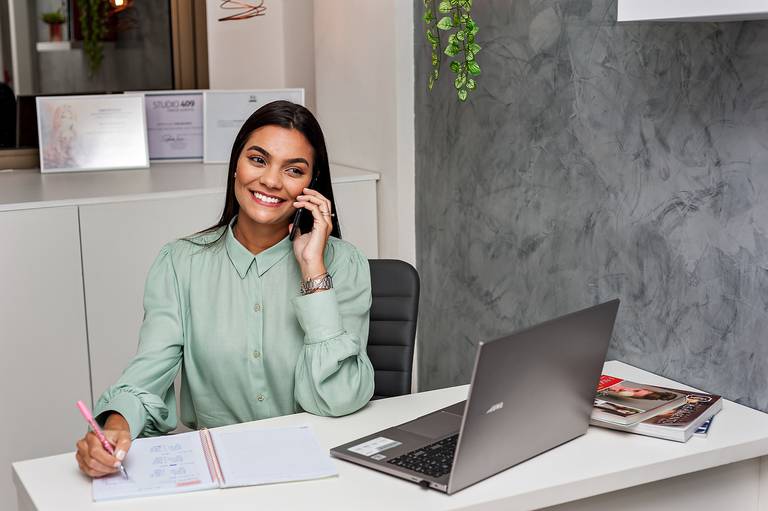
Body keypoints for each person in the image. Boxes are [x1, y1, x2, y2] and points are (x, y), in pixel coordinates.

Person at [76, 101, 375, 478]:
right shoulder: (179, 262)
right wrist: (114, 425)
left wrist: (313, 269)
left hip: (321, 470)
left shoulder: (343, 264)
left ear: (311, 185)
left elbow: (340, 398)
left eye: (294, 170)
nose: (270, 180)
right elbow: (146, 376)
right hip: (222, 475)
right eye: (258, 159)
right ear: (236, 164)